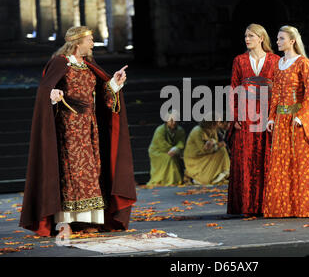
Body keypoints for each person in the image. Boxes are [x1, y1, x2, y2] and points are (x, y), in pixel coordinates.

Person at [19, 26, 137, 236]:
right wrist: (52, 94)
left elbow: (102, 94)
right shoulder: (59, 63)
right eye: (90, 40)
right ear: (77, 43)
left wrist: (114, 83)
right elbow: (46, 88)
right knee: (71, 172)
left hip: (90, 127)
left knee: (92, 172)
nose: (92, 43)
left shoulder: (89, 65)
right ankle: (66, 221)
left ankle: (89, 220)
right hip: (68, 127)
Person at [264, 25, 309, 218]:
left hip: (297, 120)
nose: (277, 42)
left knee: (300, 163)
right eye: (277, 38)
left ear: (292, 41)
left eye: (281, 38)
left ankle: (304, 207)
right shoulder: (278, 64)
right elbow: (275, 94)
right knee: (282, 164)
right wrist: (271, 117)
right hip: (282, 121)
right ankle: (283, 208)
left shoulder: (303, 63)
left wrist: (303, 116)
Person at [227, 23, 279, 216]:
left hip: (267, 113)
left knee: (267, 157)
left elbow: (280, 90)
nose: (247, 39)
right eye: (245, 36)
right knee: (247, 159)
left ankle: (268, 204)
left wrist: (275, 115)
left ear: (261, 38)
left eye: (251, 36)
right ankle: (248, 205)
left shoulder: (275, 60)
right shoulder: (239, 60)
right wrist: (235, 116)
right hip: (247, 115)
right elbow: (233, 89)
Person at [184, 114, 230, 185]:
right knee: (221, 150)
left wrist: (214, 143)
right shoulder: (197, 131)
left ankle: (220, 174)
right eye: (217, 122)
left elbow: (214, 142)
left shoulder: (213, 130)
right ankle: (201, 177)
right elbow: (204, 149)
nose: (219, 124)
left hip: (206, 154)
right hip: (195, 159)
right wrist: (216, 145)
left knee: (222, 150)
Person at [146, 110, 186, 186]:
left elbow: (181, 141)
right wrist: (171, 149)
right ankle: (169, 180)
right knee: (169, 158)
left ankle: (175, 179)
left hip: (172, 151)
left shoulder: (180, 130)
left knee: (176, 157)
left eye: (175, 120)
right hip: (158, 152)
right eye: (171, 120)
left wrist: (176, 148)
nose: (173, 122)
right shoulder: (160, 130)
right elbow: (162, 144)